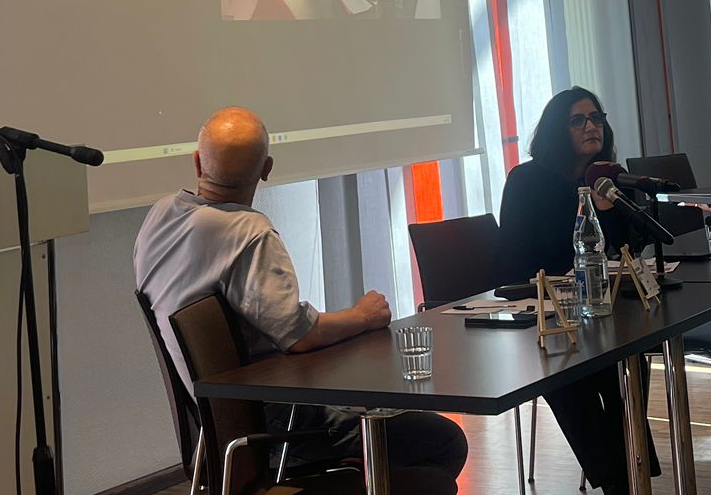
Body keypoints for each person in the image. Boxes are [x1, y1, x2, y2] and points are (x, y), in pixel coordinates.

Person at [134, 107, 468, 494]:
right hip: (282, 426)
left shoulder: (159, 217)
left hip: (219, 430)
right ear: (267, 168)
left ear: (196, 161)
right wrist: (362, 316)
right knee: (443, 441)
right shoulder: (249, 233)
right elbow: (298, 335)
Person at [498, 87, 658, 495]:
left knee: (629, 360)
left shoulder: (609, 178)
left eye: (597, 118)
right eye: (578, 120)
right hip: (543, 314)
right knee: (567, 373)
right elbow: (513, 261)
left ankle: (629, 476)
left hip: (601, 311)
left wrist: (609, 211)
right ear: (557, 129)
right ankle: (623, 481)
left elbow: (629, 249)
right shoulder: (525, 181)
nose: (591, 126)